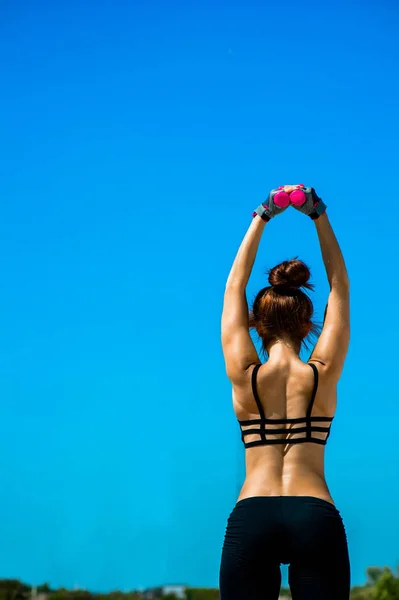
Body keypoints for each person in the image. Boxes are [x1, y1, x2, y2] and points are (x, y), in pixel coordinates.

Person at [219, 185, 350, 600]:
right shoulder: (322, 373)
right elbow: (339, 288)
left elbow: (234, 287)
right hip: (314, 512)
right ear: (307, 322)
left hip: (253, 511)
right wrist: (318, 214)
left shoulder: (244, 373)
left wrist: (263, 214)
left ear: (257, 323)